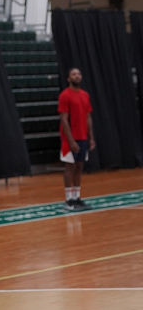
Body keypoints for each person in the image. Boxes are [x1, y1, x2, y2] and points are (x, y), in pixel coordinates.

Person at [58, 67, 95, 211]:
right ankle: (68, 200)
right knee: (69, 167)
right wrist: (71, 140)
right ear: (68, 78)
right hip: (70, 139)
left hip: (83, 137)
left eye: (79, 74)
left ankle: (77, 198)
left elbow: (88, 117)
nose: (77, 76)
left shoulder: (85, 95)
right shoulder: (65, 95)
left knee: (79, 166)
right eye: (73, 74)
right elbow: (64, 119)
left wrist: (91, 137)